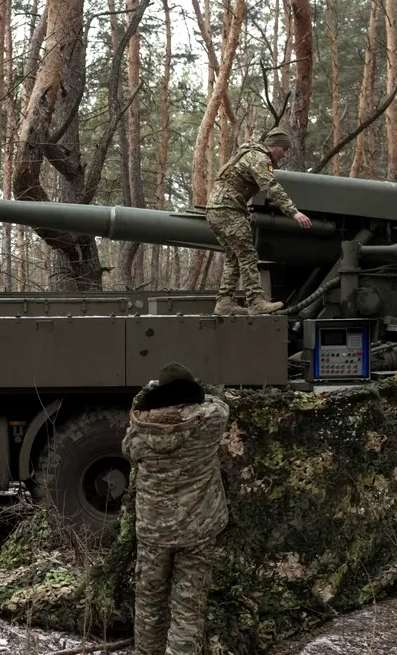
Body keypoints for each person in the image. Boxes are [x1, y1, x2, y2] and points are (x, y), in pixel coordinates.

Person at [122, 362, 229, 654]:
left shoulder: (140, 428)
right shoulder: (211, 420)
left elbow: (128, 451)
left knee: (149, 604)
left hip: (154, 530)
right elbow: (218, 402)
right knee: (188, 608)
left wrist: (147, 395)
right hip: (198, 528)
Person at [204, 127, 312, 316]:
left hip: (216, 209)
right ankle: (255, 302)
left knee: (234, 257)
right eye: (283, 149)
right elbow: (270, 186)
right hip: (228, 210)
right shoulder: (259, 158)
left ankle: (224, 303)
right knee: (248, 255)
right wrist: (293, 212)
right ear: (274, 146)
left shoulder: (250, 153)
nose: (284, 154)